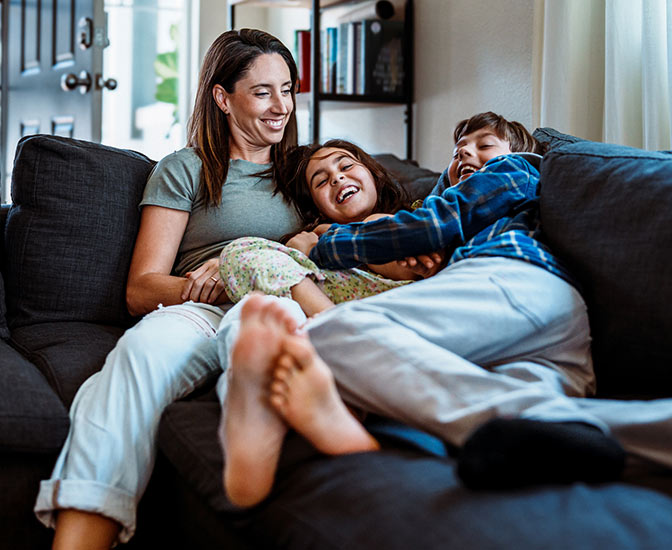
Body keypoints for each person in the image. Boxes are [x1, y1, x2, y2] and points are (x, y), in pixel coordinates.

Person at [221, 111, 630, 508]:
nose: (465, 154)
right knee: (558, 423)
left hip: (515, 278)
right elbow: (427, 227)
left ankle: (314, 425)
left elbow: (433, 225)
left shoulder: (518, 169)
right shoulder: (434, 215)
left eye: (483, 145)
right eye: (456, 152)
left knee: (325, 337)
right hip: (531, 336)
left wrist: (327, 245)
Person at [34, 28, 304, 549]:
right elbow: (141, 289)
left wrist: (245, 262)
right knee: (135, 358)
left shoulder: (304, 170)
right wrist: (203, 282)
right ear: (223, 99)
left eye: (288, 89)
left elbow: (351, 227)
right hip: (198, 309)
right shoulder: (186, 169)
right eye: (263, 91)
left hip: (279, 303)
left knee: (262, 351)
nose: (281, 107)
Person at [218, 139, 444, 318]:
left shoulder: (416, 215)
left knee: (373, 223)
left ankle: (333, 325)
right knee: (239, 251)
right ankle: (332, 321)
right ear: (316, 208)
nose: (337, 178)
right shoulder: (308, 243)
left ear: (374, 175)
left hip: (393, 304)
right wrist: (300, 251)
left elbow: (409, 259)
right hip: (333, 307)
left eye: (346, 166)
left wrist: (330, 239)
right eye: (321, 181)